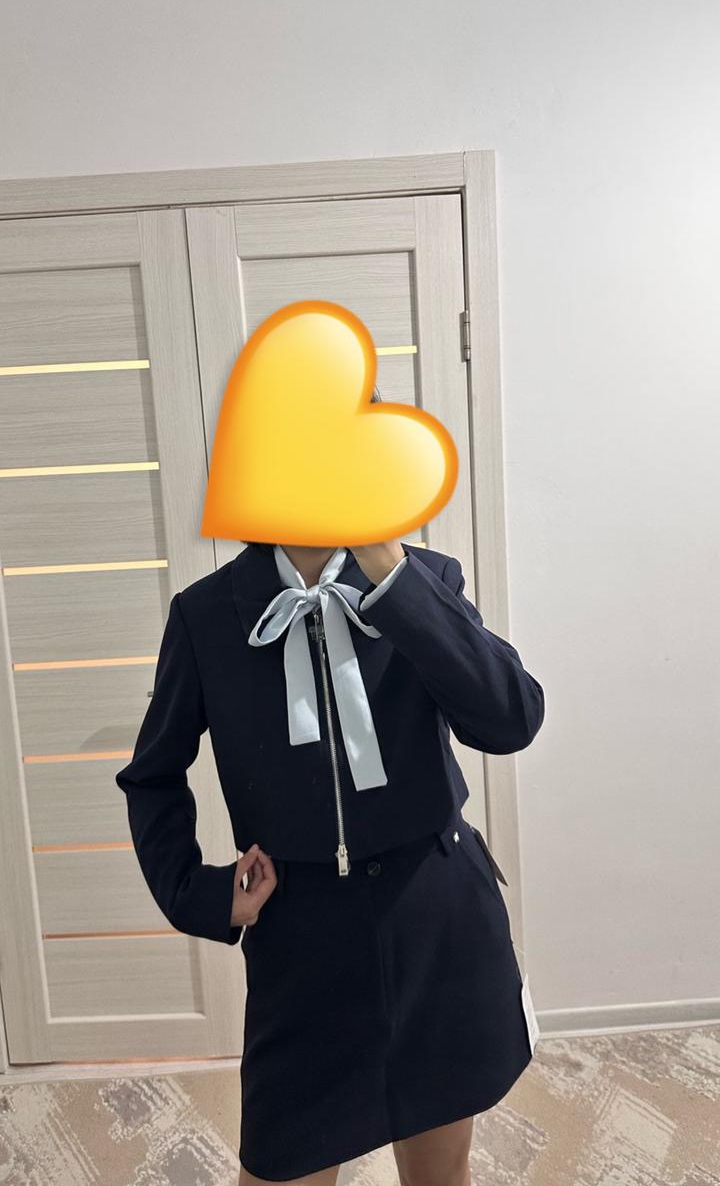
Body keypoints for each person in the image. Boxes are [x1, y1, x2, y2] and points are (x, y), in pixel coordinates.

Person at [115, 387, 546, 1185]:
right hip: (303, 949)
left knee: (440, 1173)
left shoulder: (427, 580)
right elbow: (152, 776)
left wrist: (392, 570)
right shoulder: (208, 617)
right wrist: (200, 893)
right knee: (282, 1168)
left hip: (439, 922)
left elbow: (511, 719)